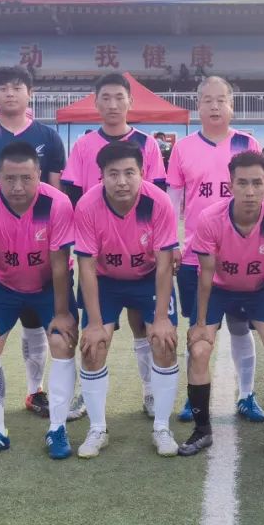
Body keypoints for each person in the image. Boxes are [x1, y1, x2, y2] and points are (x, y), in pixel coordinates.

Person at [0, 66, 66, 423]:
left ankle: (37, 390)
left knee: (38, 326)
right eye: (2, 88)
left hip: (38, 245)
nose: (10, 93)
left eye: (17, 87)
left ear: (30, 93)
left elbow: (55, 191)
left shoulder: (48, 137)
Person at [61, 72, 169, 421]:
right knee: (93, 332)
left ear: (130, 102)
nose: (112, 104)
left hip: (141, 253)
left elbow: (156, 196)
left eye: (119, 97)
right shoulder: (83, 146)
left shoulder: (147, 144)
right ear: (95, 103)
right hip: (100, 251)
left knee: (143, 326)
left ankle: (150, 391)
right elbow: (73, 196)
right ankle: (85, 393)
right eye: (105, 98)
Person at [179, 151, 264, 456]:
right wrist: (201, 323)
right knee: (200, 349)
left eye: (257, 183)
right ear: (230, 185)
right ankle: (202, 430)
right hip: (218, 290)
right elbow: (206, 274)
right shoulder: (211, 218)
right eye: (242, 183)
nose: (249, 191)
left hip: (259, 289)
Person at [0, 142, 79, 460]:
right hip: (3, 286)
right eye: (10, 178)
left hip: (47, 285)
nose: (18, 186)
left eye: (26, 178)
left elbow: (60, 264)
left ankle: (57, 428)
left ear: (39, 175)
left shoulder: (56, 203)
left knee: (62, 340)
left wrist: (61, 314)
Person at [167, 76, 264, 423]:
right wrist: (172, 242)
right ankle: (193, 397)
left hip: (242, 257)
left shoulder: (247, 144)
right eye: (207, 100)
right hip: (197, 257)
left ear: (231, 106)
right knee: (199, 330)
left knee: (240, 328)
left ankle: (247, 394)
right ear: (198, 106)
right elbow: (173, 199)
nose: (214, 106)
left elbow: (261, 199)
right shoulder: (183, 148)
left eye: (221, 100)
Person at [74, 142, 180, 458]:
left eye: (129, 173)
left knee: (163, 341)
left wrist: (161, 318)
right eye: (113, 174)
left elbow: (164, 263)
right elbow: (86, 266)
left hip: (148, 277)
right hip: (105, 281)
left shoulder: (157, 202)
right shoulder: (88, 205)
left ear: (142, 173)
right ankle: (97, 429)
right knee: (93, 346)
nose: (122, 181)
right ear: (101, 176)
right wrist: (94, 323)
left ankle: (162, 427)